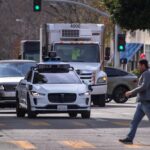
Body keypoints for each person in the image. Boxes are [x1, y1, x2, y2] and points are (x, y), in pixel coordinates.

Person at [119, 59, 150, 144]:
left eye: (139, 65)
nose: (138, 67)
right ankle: (129, 138)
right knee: (134, 121)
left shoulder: (146, 73)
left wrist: (131, 92)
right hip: (141, 103)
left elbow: (144, 86)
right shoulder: (145, 73)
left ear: (143, 65)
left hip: (147, 103)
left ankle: (129, 138)